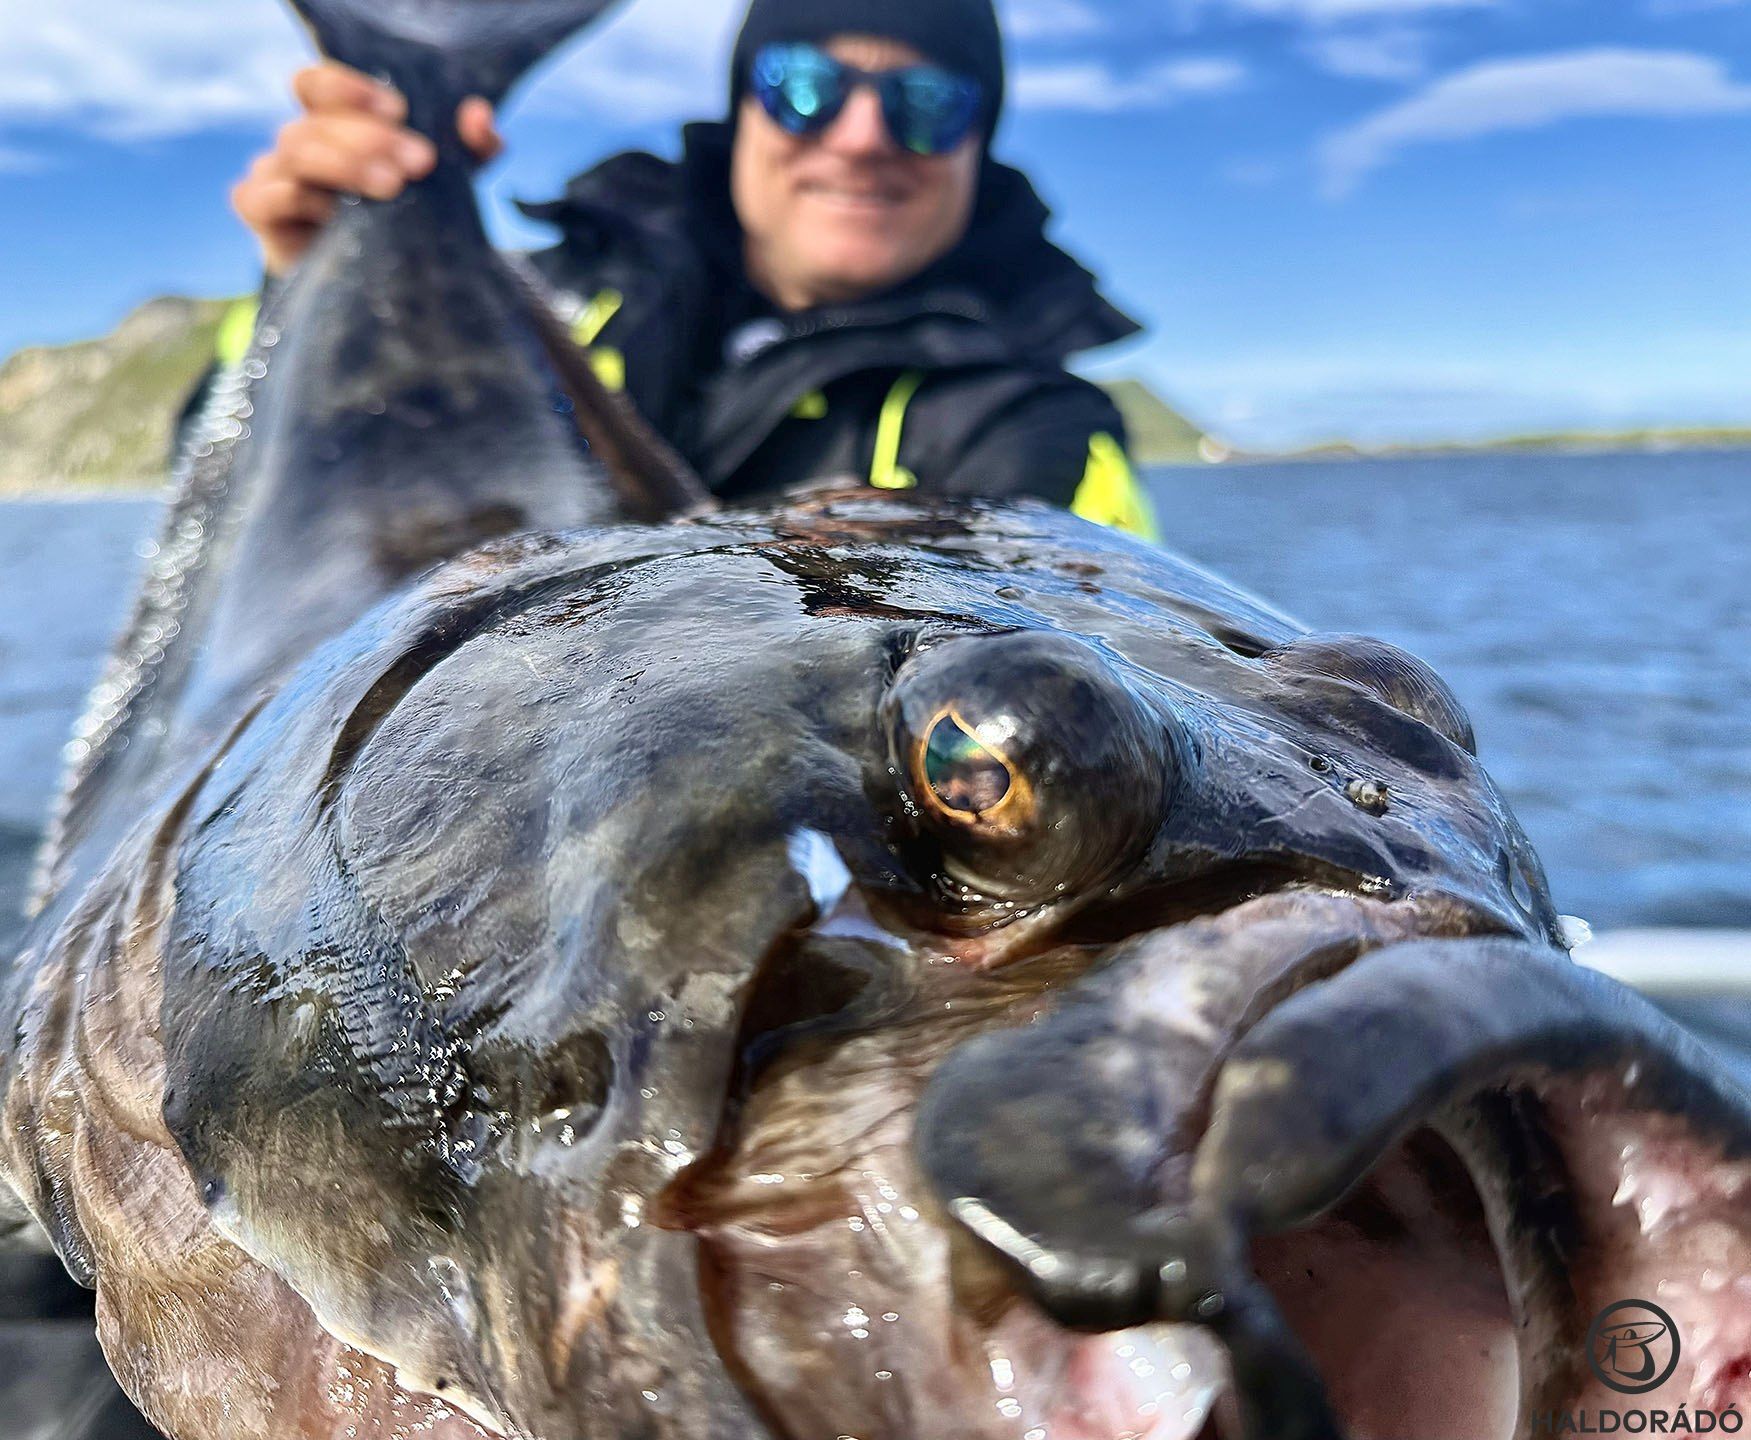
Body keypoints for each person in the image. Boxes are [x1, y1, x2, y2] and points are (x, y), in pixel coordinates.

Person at [218, 0, 1159, 538]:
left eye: (926, 105)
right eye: (807, 89)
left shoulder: (1044, 444)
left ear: (976, 148)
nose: (862, 139)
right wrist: (304, 293)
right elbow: (255, 511)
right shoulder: (555, 298)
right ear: (743, 114)